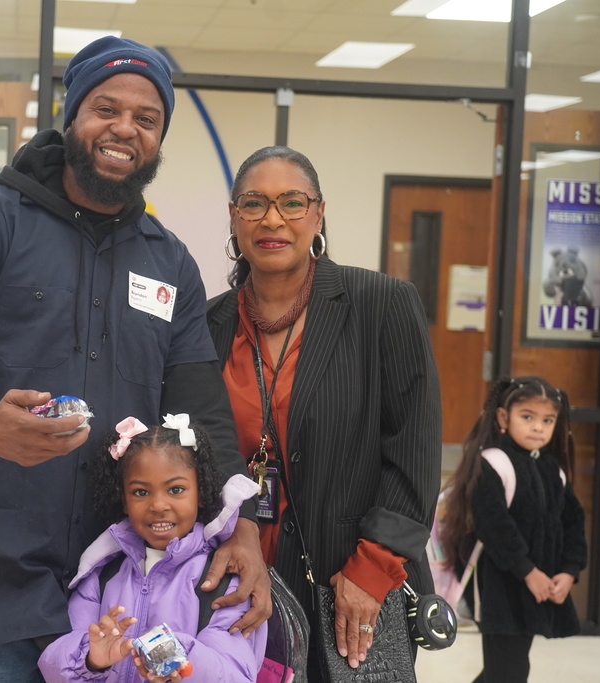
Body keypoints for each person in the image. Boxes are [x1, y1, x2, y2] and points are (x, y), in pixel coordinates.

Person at [0, 36, 269, 682]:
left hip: (123, 596)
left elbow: (201, 412)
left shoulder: (170, 262)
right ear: (72, 118)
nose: (125, 128)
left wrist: (246, 526)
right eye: (106, 108)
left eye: (147, 118)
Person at [205, 146, 442, 680]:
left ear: (318, 214)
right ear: (233, 216)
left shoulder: (382, 304)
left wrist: (371, 568)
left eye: (292, 202)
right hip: (236, 587)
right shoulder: (206, 326)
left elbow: (414, 451)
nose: (272, 219)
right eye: (254, 203)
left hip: (350, 584)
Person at [39, 415, 266, 683]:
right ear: (123, 500)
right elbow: (55, 666)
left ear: (201, 494)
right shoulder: (100, 575)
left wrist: (177, 658)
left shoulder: (223, 582)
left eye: (176, 489)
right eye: (141, 493)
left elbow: (235, 674)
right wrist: (92, 659)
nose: (158, 505)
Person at [439, 376, 587, 683]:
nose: (538, 427)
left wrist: (569, 570)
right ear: (503, 418)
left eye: (548, 420)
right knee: (510, 669)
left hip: (537, 585)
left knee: (505, 668)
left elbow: (573, 521)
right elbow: (495, 528)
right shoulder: (494, 463)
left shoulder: (553, 469)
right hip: (500, 587)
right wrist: (529, 572)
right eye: (528, 417)